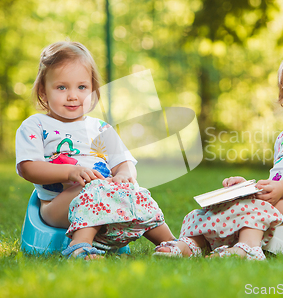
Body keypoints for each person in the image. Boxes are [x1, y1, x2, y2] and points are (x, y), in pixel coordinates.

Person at [153, 40, 283, 260]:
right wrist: (250, 187)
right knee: (227, 204)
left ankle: (248, 249)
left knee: (255, 205)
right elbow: (281, 178)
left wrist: (279, 190)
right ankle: (190, 244)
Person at [16, 41, 175, 260]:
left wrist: (124, 176)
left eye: (82, 87)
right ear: (43, 91)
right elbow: (28, 168)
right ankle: (80, 247)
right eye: (62, 87)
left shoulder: (101, 129)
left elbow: (124, 163)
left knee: (137, 193)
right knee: (95, 188)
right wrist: (69, 173)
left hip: (106, 196)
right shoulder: (36, 125)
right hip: (58, 206)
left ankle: (171, 244)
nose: (73, 95)